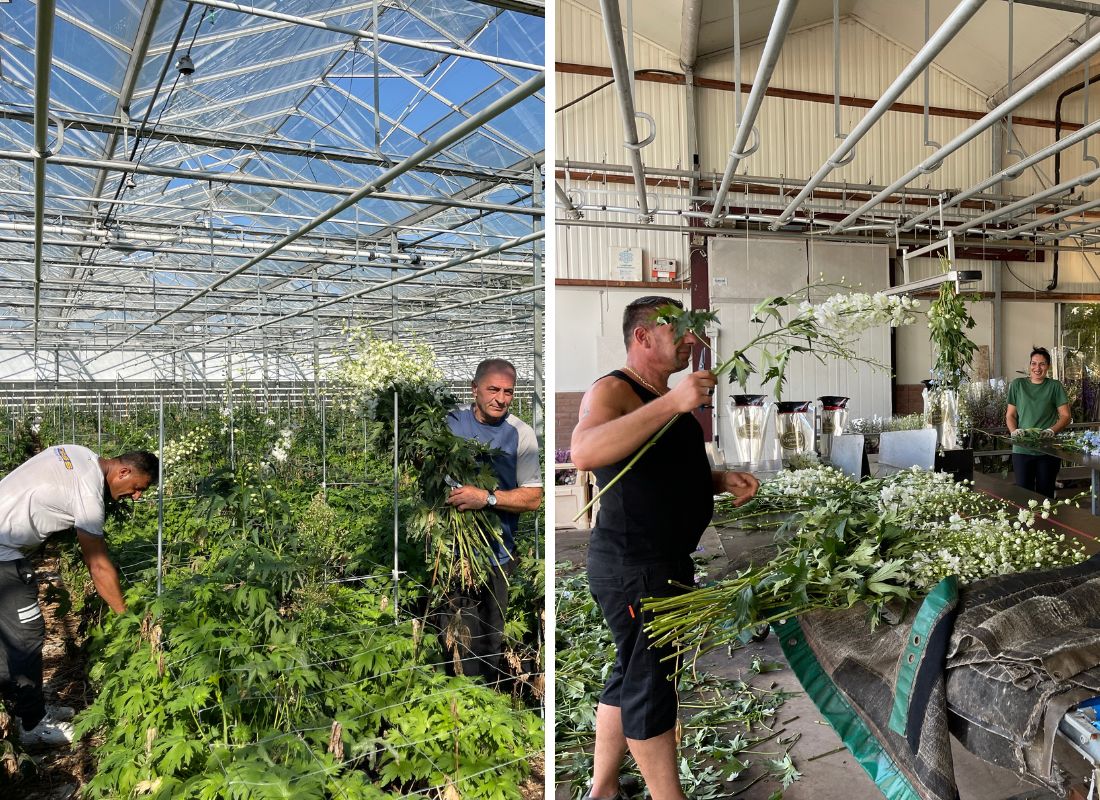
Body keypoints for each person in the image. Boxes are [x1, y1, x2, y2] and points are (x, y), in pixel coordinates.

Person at [570, 296, 760, 800]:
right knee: (652, 687)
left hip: (658, 563)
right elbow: (585, 453)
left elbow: (658, 474)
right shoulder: (614, 390)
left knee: (628, 671)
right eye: (681, 331)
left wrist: (718, 480)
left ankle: (603, 789)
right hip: (637, 568)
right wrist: (674, 403)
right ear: (643, 337)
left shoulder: (661, 396)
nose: (693, 341)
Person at [0, 446, 158, 739]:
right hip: (3, 550)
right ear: (123, 472)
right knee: (26, 633)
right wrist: (128, 619)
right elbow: (97, 565)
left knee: (7, 630)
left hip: (5, 539)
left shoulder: (79, 452)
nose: (136, 496)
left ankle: (18, 703)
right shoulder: (88, 495)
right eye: (138, 488)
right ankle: (32, 724)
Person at [443, 358, 542, 681]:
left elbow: (533, 497)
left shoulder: (521, 434)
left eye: (508, 392)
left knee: (489, 638)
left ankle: (485, 701)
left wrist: (485, 497)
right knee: (455, 635)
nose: (501, 398)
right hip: (451, 553)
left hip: (498, 556)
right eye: (493, 389)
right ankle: (457, 698)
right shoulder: (450, 424)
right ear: (474, 390)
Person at [1006, 346, 1071, 499]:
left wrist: (1052, 431)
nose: (1037, 368)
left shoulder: (1055, 386)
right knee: (1023, 494)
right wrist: (1014, 431)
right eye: (1034, 363)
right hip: (1022, 449)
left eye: (1042, 364)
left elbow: (1066, 415)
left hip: (1047, 450)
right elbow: (1010, 415)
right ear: (1030, 365)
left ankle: (1047, 523)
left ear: (1048, 366)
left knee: (1045, 495)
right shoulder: (1017, 385)